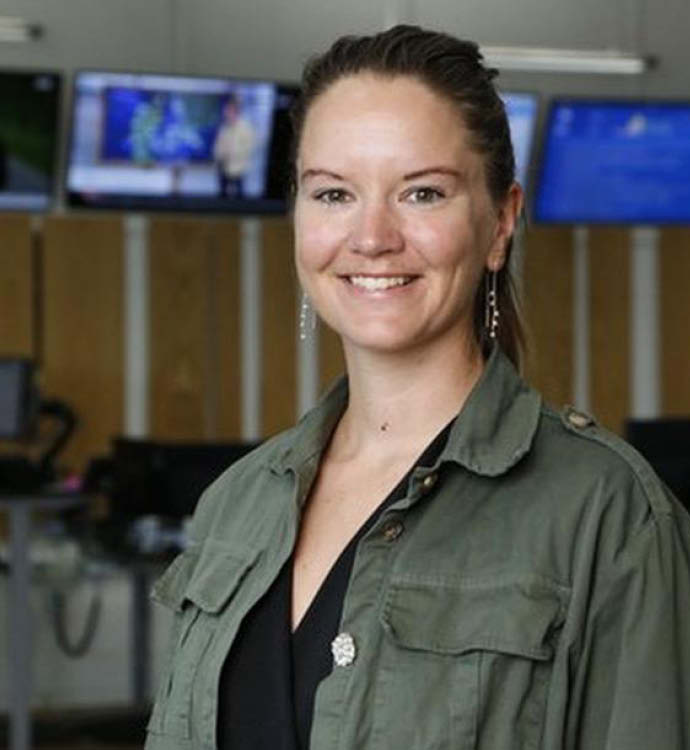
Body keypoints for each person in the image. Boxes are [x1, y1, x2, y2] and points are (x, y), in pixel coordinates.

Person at [145, 25, 690, 750]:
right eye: (333, 193)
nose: (372, 237)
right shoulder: (235, 502)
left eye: (422, 192)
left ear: (500, 223)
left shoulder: (607, 514)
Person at [213, 93, 256, 198]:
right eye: (226, 111)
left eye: (229, 111)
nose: (226, 113)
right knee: (222, 197)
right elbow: (218, 146)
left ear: (236, 112)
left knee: (239, 198)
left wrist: (232, 153)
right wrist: (219, 155)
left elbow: (249, 147)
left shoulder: (246, 128)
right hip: (223, 168)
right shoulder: (224, 128)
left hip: (238, 169)